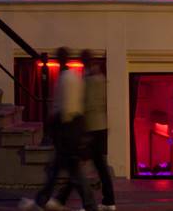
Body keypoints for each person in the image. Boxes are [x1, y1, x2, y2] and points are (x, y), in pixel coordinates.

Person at [19, 47, 97, 211]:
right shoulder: (72, 77)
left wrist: (56, 126)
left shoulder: (66, 78)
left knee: (70, 172)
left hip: (67, 129)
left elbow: (66, 109)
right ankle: (43, 200)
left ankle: (88, 205)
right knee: (59, 170)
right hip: (71, 128)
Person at [49, 50, 116, 211]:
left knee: (79, 166)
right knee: (94, 166)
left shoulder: (91, 78)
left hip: (92, 129)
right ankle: (106, 201)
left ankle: (69, 200)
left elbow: (87, 105)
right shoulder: (97, 76)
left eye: (83, 58)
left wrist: (81, 129)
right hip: (99, 127)